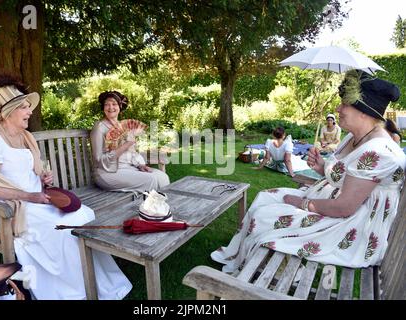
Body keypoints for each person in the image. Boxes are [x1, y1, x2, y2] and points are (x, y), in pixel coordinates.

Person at [211, 70, 405, 272]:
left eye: (344, 104)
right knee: (264, 197)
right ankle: (240, 256)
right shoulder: (356, 137)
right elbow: (348, 180)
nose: (338, 109)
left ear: (364, 111)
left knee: (265, 216)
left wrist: (302, 203)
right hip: (329, 203)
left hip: (349, 225)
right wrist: (322, 167)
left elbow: (344, 208)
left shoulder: (378, 151)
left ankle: (264, 273)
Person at [0, 74, 132, 300]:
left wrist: (43, 178)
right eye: (24, 107)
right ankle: (70, 292)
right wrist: (29, 195)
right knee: (60, 229)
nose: (30, 111)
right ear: (7, 113)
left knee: (83, 215)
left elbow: (29, 171)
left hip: (35, 199)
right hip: (5, 206)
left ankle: (93, 283)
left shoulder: (25, 137)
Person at [90, 90, 170, 193]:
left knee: (162, 176)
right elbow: (98, 160)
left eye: (114, 104)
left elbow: (130, 154)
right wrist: (127, 144)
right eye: (107, 105)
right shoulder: (99, 127)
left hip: (127, 168)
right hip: (107, 173)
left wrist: (139, 165)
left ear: (120, 107)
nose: (110, 108)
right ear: (103, 107)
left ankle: (161, 207)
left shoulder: (122, 126)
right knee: (151, 180)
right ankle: (148, 208)